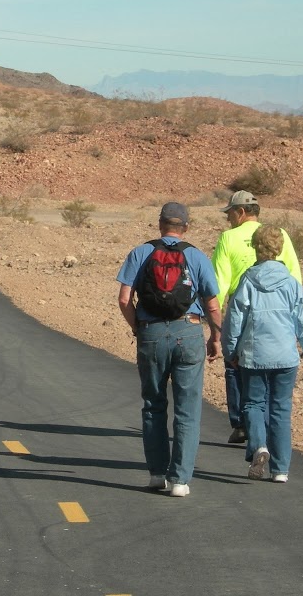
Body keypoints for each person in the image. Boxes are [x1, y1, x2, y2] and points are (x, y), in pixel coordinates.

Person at [117, 202, 223, 497]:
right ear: (186, 227)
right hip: (188, 332)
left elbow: (125, 298)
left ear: (160, 224)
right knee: (187, 409)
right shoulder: (196, 256)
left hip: (151, 335)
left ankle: (156, 473)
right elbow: (212, 305)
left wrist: (138, 327)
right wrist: (216, 337)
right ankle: (180, 480)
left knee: (153, 404)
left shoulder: (141, 253)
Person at [222, 225, 303, 483]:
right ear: (279, 249)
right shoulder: (291, 284)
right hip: (286, 357)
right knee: (280, 409)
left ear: (256, 247)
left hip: (254, 356)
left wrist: (230, 350)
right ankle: (281, 470)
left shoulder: (247, 281)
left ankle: (258, 447)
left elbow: (234, 320)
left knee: (253, 403)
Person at [211, 190, 301, 444]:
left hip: (243, 309)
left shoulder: (228, 238)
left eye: (230, 213)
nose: (228, 219)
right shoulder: (279, 235)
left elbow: (219, 283)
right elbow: (295, 277)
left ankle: (242, 424)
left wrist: (217, 328)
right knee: (273, 371)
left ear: (241, 212)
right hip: (279, 313)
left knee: (235, 365)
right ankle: (269, 429)